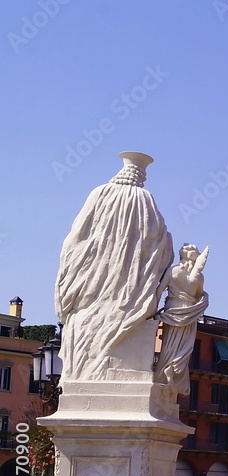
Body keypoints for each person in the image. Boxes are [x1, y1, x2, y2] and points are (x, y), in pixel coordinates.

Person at [55, 152, 173, 382]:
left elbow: (76, 236)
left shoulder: (98, 194)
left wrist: (74, 268)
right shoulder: (144, 198)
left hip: (91, 284)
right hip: (130, 288)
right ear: (141, 175)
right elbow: (158, 239)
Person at [154, 244, 210, 397]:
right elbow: (198, 296)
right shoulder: (198, 277)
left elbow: (159, 291)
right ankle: (173, 368)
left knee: (168, 345)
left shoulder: (172, 271)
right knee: (184, 345)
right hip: (189, 311)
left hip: (172, 308)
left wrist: (152, 312)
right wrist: (204, 295)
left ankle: (164, 372)